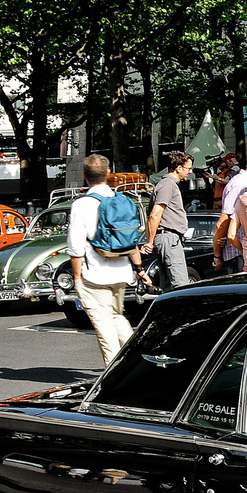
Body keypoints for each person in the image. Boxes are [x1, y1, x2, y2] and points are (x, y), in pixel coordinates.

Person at [68, 155, 150, 365]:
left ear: (85, 176)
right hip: (121, 271)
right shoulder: (122, 199)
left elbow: (76, 246)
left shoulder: (82, 204)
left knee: (104, 327)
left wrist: (77, 277)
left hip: (95, 274)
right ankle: (137, 360)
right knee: (117, 317)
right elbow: (130, 239)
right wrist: (139, 268)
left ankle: (113, 375)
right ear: (108, 173)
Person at [144, 152, 192, 288]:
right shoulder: (167, 184)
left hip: (166, 238)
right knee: (180, 285)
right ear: (179, 168)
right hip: (169, 238)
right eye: (188, 168)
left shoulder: (166, 184)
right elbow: (154, 215)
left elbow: (151, 217)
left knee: (168, 287)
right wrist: (149, 242)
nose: (190, 171)